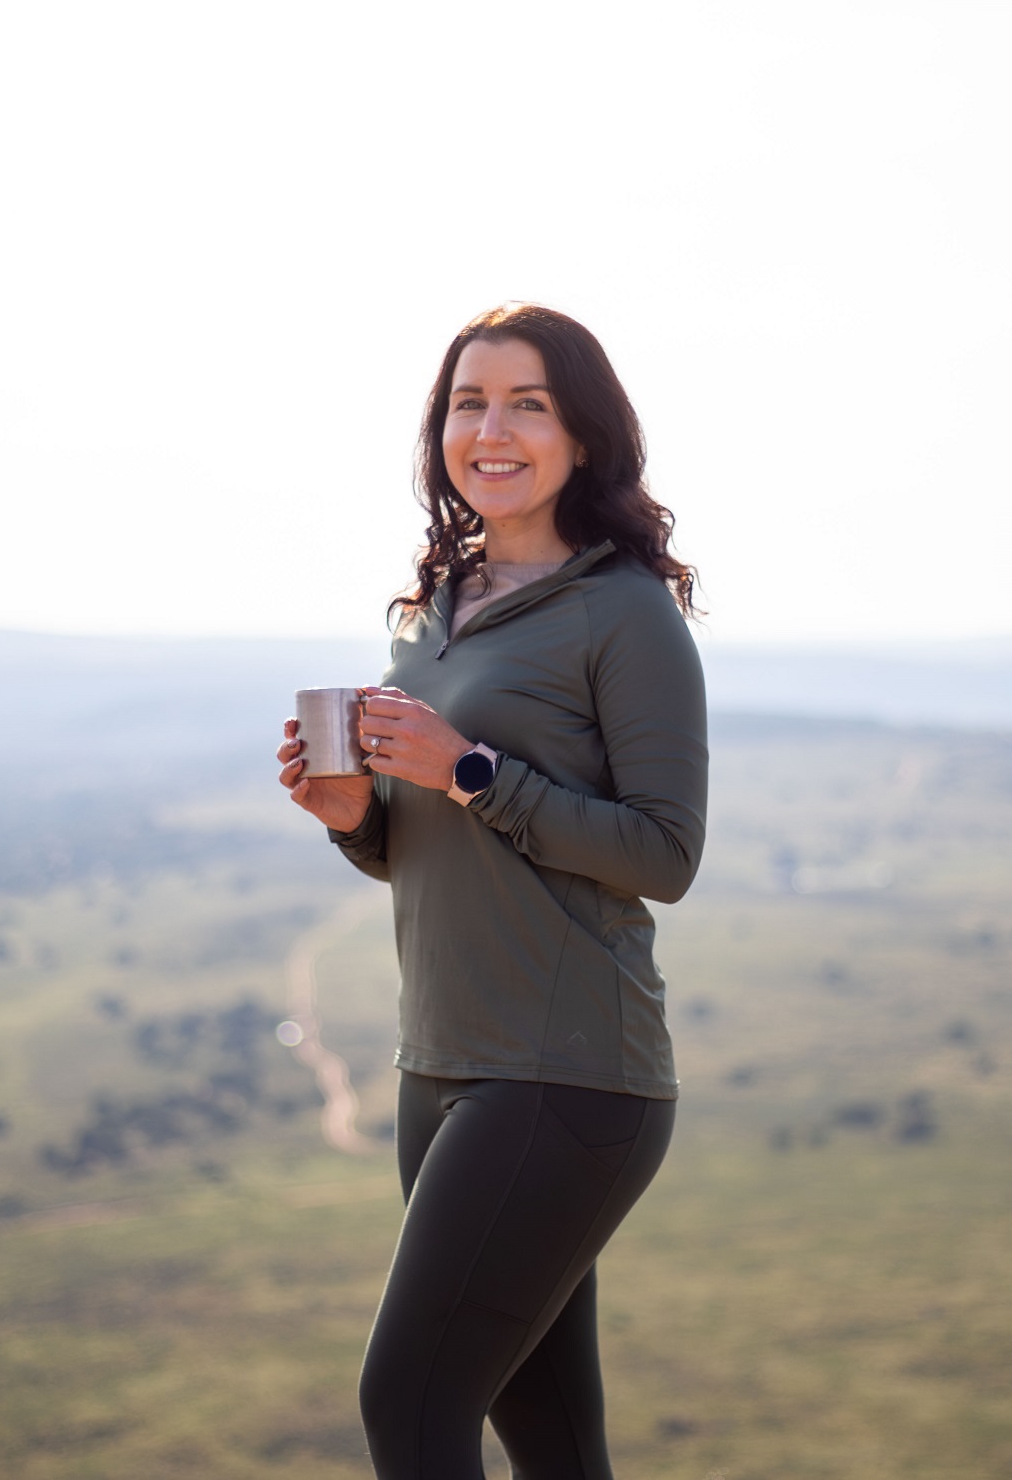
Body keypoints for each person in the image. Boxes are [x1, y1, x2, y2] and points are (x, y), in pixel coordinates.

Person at [274, 303, 707, 1479]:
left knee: (407, 1406)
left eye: (528, 402)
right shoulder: (426, 613)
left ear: (581, 435)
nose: (492, 427)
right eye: (469, 401)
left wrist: (469, 770)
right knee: (554, 1445)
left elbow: (665, 855)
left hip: (567, 1068)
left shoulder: (622, 611)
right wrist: (358, 817)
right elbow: (425, 844)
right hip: (442, 1063)